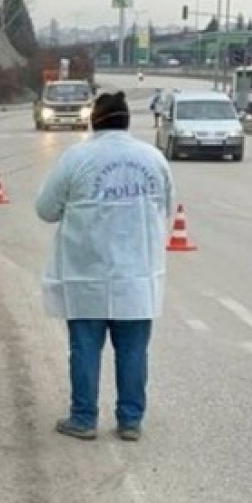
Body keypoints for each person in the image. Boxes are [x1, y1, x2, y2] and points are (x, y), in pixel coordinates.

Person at [35, 91, 173, 442]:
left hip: (87, 275)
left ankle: (83, 418)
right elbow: (166, 207)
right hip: (137, 276)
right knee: (132, 351)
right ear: (127, 120)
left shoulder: (77, 158)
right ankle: (130, 421)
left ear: (94, 120)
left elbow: (46, 209)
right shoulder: (153, 158)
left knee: (84, 349)